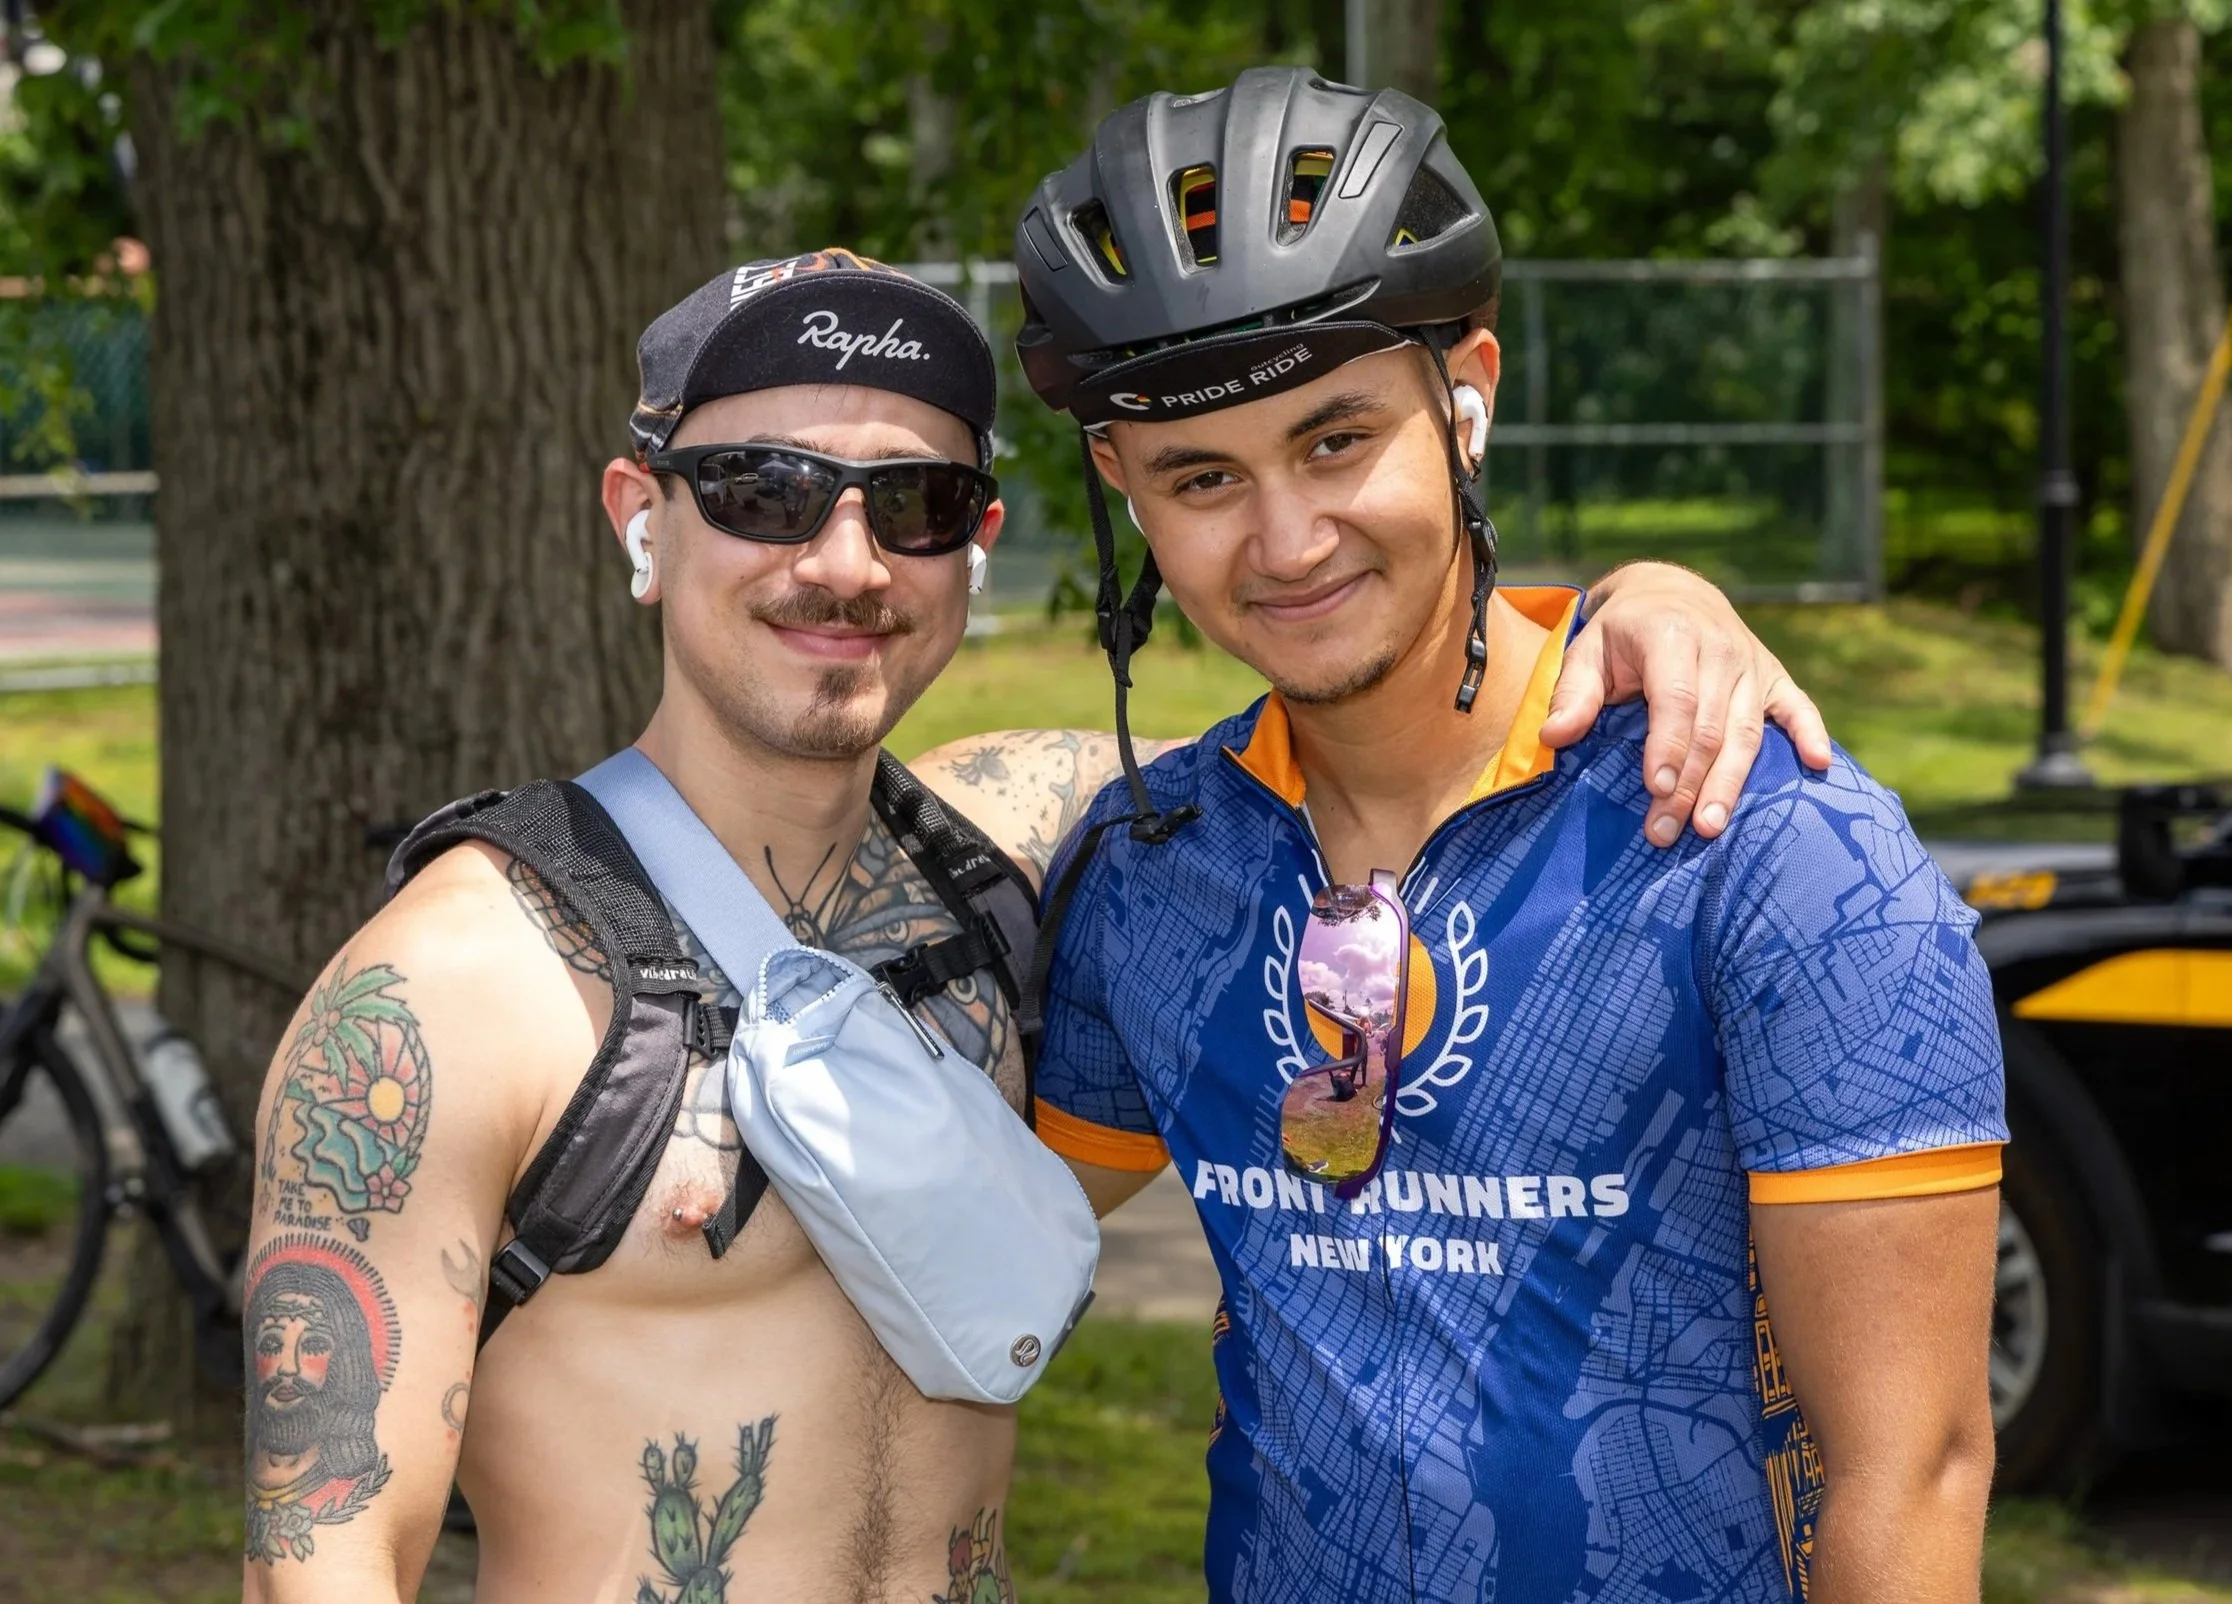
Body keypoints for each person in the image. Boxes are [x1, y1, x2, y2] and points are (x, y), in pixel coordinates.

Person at [241, 246, 1835, 1604]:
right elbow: (322, 1555)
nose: (844, 559)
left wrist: (1649, 599)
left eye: (917, 503)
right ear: (640, 518)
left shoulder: (1049, 841)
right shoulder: (460, 986)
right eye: (763, 490)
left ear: (977, 551)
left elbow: (1380, 712)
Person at [936, 69, 2007, 1604]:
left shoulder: (1770, 849)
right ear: (1120, 486)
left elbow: (1916, 1470)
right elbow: (949, 1249)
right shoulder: (1157, 869)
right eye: (1201, 477)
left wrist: (1659, 588)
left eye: (1334, 439)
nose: (1287, 540)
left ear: (1469, 394)